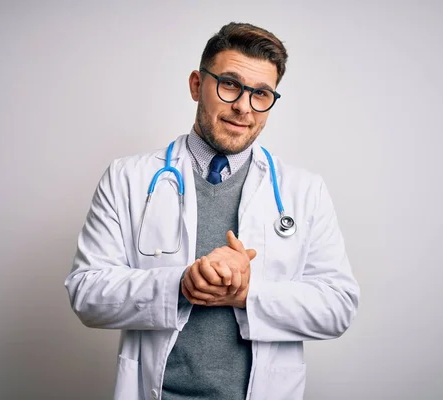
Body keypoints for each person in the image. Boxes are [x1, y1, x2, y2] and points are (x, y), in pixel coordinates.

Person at [65, 22, 360, 400]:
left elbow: (337, 307)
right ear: (196, 85)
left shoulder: (304, 190)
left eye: (261, 94)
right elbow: (86, 293)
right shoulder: (128, 178)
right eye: (230, 85)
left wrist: (246, 292)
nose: (243, 107)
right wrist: (183, 285)